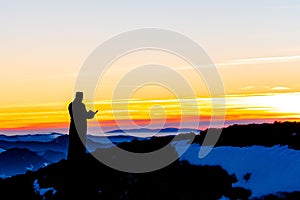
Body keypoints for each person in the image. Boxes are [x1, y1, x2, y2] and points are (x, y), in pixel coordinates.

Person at [67, 92, 97, 161]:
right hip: (80, 127)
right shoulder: (80, 105)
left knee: (74, 142)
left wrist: (90, 114)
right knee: (79, 142)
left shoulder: (71, 105)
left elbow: (80, 115)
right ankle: (79, 157)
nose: (82, 98)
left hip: (75, 127)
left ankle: (73, 158)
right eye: (81, 97)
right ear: (78, 97)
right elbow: (83, 115)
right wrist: (91, 114)